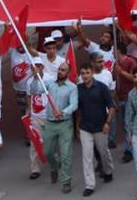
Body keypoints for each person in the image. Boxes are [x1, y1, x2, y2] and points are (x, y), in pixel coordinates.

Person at [76, 63, 116, 196]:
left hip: (101, 127)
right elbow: (78, 110)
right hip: (85, 128)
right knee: (87, 156)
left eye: (87, 72)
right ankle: (90, 185)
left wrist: (108, 123)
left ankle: (108, 171)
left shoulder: (102, 88)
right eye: (83, 73)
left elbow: (111, 106)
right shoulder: (79, 89)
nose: (85, 75)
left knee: (103, 152)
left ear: (92, 73)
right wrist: (77, 125)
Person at [43, 62, 78, 193]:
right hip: (50, 123)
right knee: (47, 152)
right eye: (59, 69)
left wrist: (63, 112)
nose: (60, 72)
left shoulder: (72, 87)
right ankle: (53, 167)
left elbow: (74, 104)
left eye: (63, 70)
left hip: (65, 124)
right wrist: (36, 77)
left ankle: (66, 181)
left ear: (68, 73)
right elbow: (35, 89)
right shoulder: (50, 85)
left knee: (66, 154)